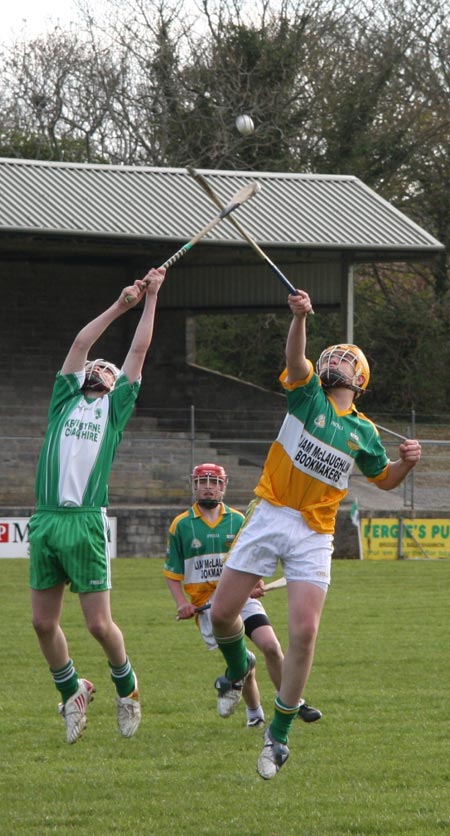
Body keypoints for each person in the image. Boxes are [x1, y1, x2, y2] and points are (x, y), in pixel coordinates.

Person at [210, 289, 422, 780]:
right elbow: (295, 358)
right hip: (269, 514)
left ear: (361, 379)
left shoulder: (365, 433)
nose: (336, 362)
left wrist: (406, 464)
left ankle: (278, 738)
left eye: (347, 361)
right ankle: (237, 666)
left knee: (304, 633)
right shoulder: (306, 395)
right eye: (333, 356)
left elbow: (384, 479)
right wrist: (300, 318)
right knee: (222, 616)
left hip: (313, 532)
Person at [28, 266, 166, 744]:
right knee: (42, 623)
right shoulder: (63, 398)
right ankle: (73, 692)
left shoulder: (115, 408)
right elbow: (82, 342)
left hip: (85, 522)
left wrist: (151, 300)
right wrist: (121, 304)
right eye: (96, 368)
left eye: (108, 370)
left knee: (98, 624)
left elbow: (139, 350)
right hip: (46, 520)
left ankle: (126, 689)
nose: (100, 369)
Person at [164, 462, 322, 728]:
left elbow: (254, 557)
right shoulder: (181, 525)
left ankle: (294, 703)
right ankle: (255, 715)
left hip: (243, 598)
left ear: (223, 487)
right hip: (208, 608)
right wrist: (182, 603)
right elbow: (172, 573)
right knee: (242, 665)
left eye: (214, 483)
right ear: (194, 485)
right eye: (203, 482)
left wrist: (257, 582)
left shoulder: (238, 520)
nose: (208, 488)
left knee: (271, 647)